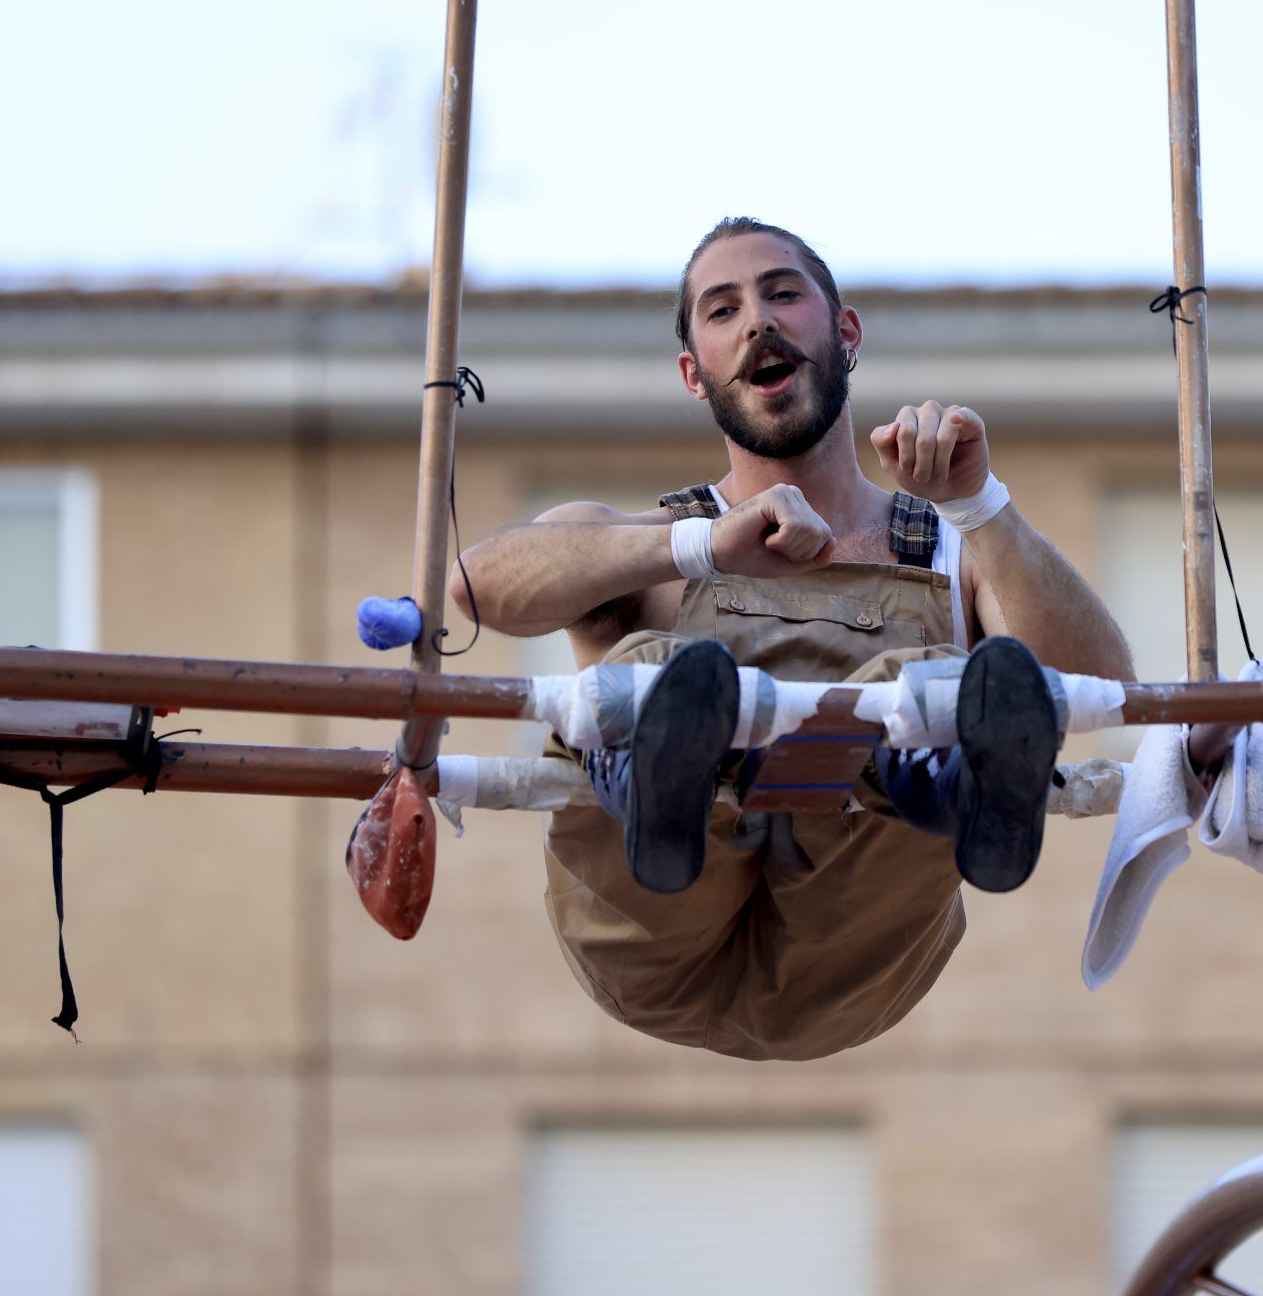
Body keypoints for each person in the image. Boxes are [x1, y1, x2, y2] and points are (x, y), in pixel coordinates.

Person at [453, 217, 1136, 1060]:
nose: (756, 323)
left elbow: (1102, 689)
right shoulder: (647, 544)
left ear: (845, 333)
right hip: (645, 937)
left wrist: (979, 504)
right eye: (722, 309)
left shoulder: (958, 546)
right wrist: (700, 542)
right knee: (659, 672)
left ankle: (927, 774)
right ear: (692, 374)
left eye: (782, 294)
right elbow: (473, 585)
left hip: (855, 950)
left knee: (938, 686)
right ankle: (663, 788)